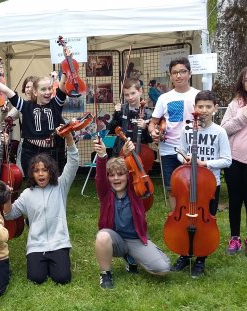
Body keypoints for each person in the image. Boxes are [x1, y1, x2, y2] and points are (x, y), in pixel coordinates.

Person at [3, 128, 79, 285]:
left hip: (59, 241)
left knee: (62, 278)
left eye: (45, 170)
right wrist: (7, 198)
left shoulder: (60, 186)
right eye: (36, 171)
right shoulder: (27, 194)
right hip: (36, 245)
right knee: (36, 278)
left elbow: (73, 162)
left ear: (51, 172)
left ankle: (58, 260)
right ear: (32, 174)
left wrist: (69, 138)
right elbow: (9, 215)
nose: (41, 174)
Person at [93, 138, 170, 289]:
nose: (116, 178)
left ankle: (131, 257)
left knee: (163, 269)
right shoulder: (105, 193)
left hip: (135, 239)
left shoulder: (135, 190)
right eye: (112, 175)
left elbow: (136, 169)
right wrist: (102, 156)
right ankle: (105, 274)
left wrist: (129, 152)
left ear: (127, 177)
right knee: (102, 236)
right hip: (115, 239)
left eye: (120, 174)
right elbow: (100, 177)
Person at [170, 90, 231, 277]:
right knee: (185, 218)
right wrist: (185, 159)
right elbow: (179, 153)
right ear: (194, 108)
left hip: (209, 186)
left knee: (205, 222)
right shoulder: (187, 130)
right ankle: (184, 253)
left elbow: (227, 160)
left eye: (208, 106)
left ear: (215, 109)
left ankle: (201, 257)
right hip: (188, 183)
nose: (203, 110)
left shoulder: (219, 132)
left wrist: (206, 163)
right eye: (200, 106)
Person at [0, 67, 68, 178]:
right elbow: (6, 90)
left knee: (52, 183)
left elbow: (62, 85)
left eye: (49, 89)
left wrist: (67, 64)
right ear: (35, 92)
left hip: (51, 152)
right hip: (30, 152)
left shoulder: (55, 104)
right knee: (32, 184)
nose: (48, 92)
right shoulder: (26, 106)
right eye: (43, 89)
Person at [148, 57, 200, 210]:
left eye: (182, 71)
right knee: (172, 189)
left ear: (190, 74)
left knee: (193, 188)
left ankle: (192, 218)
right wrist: (153, 132)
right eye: (175, 72)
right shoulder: (164, 98)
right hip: (169, 149)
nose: (179, 76)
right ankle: (176, 220)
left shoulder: (199, 95)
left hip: (193, 149)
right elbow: (153, 123)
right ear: (170, 76)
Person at [221, 66, 247, 255]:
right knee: (235, 199)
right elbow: (224, 129)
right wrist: (243, 116)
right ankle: (235, 238)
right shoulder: (235, 105)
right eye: (246, 79)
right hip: (235, 160)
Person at [107, 78, 152, 157]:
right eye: (126, 95)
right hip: (121, 151)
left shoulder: (147, 113)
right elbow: (110, 130)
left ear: (140, 91)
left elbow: (150, 139)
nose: (130, 97)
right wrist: (116, 115)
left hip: (140, 152)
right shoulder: (122, 109)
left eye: (133, 93)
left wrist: (145, 127)